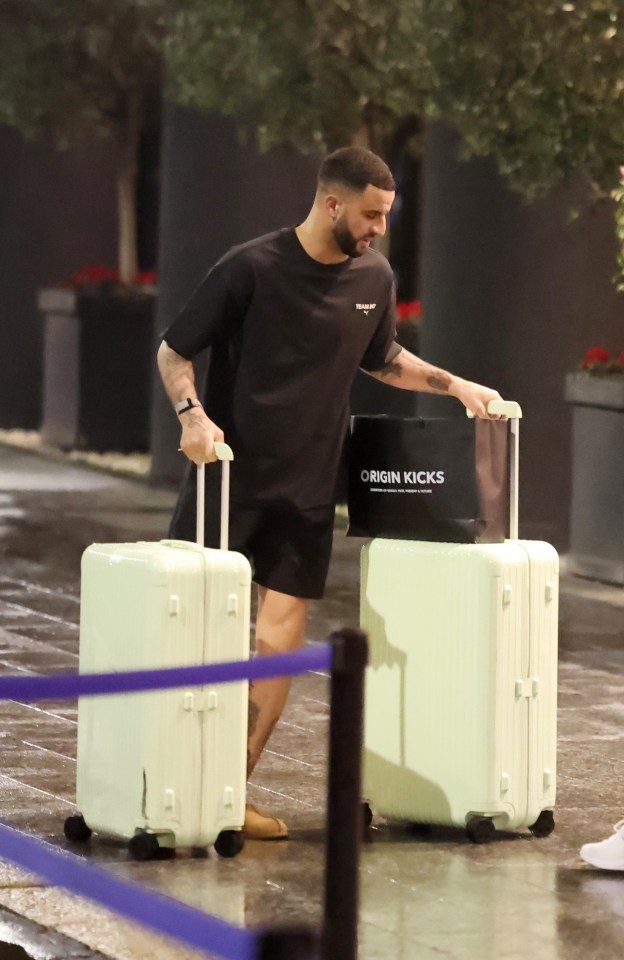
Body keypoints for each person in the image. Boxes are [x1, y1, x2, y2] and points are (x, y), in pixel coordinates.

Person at [157, 146, 504, 840]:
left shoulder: (374, 274)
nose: (379, 229)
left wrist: (457, 386)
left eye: (387, 217)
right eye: (372, 215)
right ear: (333, 202)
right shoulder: (249, 267)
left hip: (312, 483)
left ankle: (229, 788)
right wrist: (192, 418)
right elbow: (174, 350)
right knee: (197, 631)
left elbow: (385, 359)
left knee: (278, 635)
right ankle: (170, 782)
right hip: (231, 478)